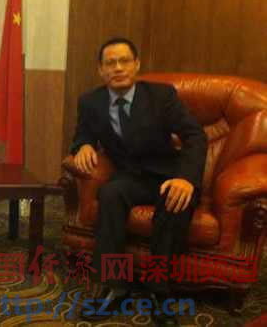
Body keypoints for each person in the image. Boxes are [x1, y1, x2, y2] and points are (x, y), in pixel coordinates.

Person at [71, 37, 207, 327]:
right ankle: (115, 286)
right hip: (132, 178)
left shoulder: (161, 96)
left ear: (136, 65)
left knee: (174, 205)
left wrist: (186, 179)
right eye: (110, 63)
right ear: (100, 70)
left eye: (124, 61)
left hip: (170, 176)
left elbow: (195, 135)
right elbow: (83, 133)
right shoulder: (90, 102)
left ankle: (159, 291)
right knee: (110, 193)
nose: (118, 68)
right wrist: (83, 145)